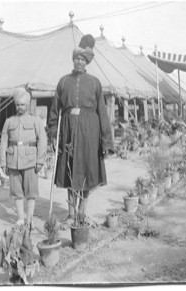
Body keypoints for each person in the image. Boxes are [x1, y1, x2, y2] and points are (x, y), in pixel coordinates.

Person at [47, 34, 114, 223]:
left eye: (83, 59)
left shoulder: (95, 83)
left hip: (89, 132)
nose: (79, 62)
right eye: (77, 58)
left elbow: (102, 113)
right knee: (69, 168)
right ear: (73, 59)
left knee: (86, 169)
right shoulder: (63, 82)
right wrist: (53, 135)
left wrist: (106, 142)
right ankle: (70, 214)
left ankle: (82, 213)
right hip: (68, 130)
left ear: (87, 62)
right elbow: (54, 112)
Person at [0, 88, 47, 228]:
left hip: (30, 161)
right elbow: (3, 142)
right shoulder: (9, 121)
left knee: (31, 191)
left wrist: (40, 160)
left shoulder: (35, 120)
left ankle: (30, 219)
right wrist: (3, 162)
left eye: (22, 105)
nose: (20, 107)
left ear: (27, 105)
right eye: (17, 105)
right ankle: (21, 218)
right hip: (13, 160)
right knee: (16, 191)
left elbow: (42, 141)